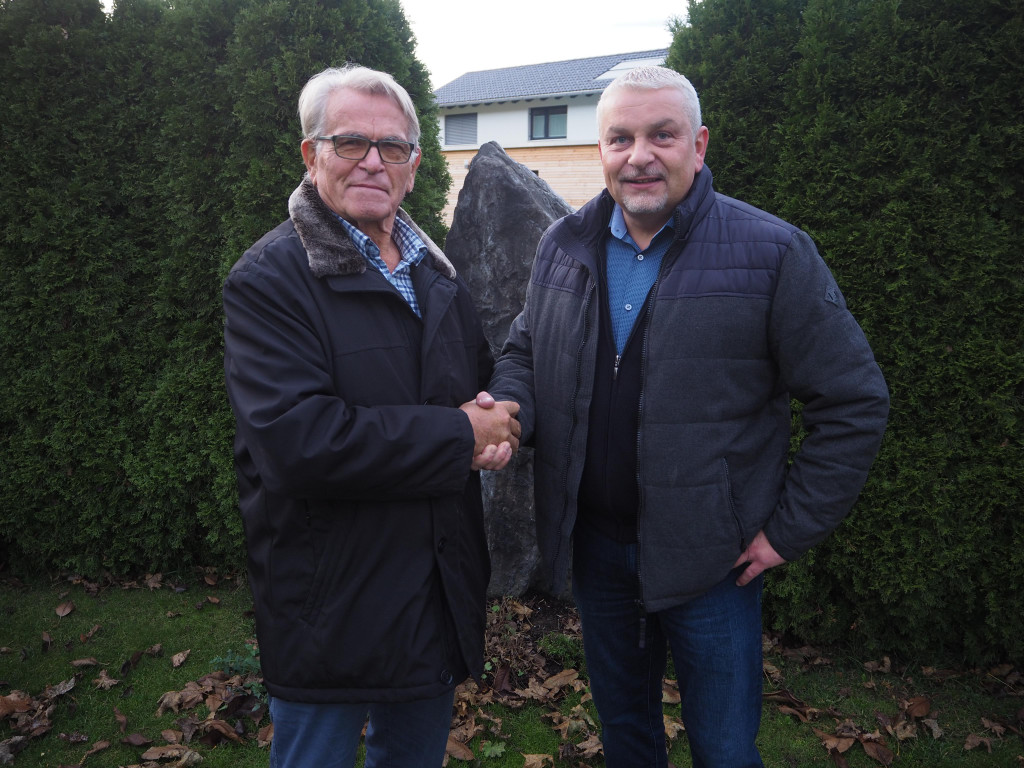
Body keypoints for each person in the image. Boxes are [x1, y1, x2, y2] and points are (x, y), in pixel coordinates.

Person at [485, 65, 889, 767]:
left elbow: (853, 400)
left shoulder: (771, 253)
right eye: (620, 138)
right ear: (601, 150)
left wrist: (786, 532)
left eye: (662, 135)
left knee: (724, 749)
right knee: (627, 738)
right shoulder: (563, 247)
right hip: (596, 553)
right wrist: (510, 409)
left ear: (698, 146)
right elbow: (525, 348)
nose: (639, 156)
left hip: (714, 565)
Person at [222, 64, 520, 768]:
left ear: (413, 166)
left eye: (392, 147)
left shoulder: (434, 274)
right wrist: (461, 435)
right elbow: (300, 442)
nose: (372, 162)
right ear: (311, 154)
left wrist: (500, 416)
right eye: (350, 142)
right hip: (331, 605)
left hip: (433, 590)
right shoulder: (270, 279)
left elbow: (479, 382)